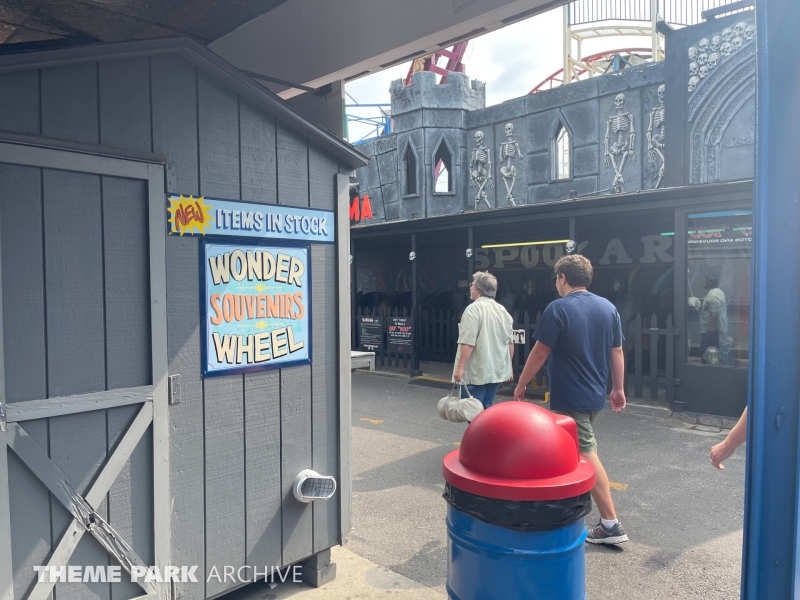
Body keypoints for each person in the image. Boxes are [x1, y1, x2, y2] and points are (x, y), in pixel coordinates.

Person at [513, 254, 628, 545]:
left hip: (571, 396)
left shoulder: (558, 308)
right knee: (573, 452)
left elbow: (540, 352)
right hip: (594, 394)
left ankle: (611, 525)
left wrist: (521, 384)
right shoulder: (608, 307)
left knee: (587, 454)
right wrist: (618, 388)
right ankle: (570, 508)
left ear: (562, 278)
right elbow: (617, 352)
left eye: (556, 278)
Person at [452, 271, 514, 409]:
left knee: (472, 411)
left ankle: (480, 431)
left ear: (479, 289)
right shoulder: (503, 311)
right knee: (487, 407)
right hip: (496, 371)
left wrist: (460, 367)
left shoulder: (473, 310)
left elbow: (468, 342)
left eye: (472, 284)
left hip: (476, 372)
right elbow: (509, 343)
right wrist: (509, 367)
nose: (470, 287)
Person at [699, 275, 729, 363]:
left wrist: (711, 327)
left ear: (708, 283)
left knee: (709, 353)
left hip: (712, 332)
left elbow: (714, 312)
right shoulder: (716, 292)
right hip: (714, 330)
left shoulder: (713, 295)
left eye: (704, 281)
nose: (702, 282)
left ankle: (707, 371)